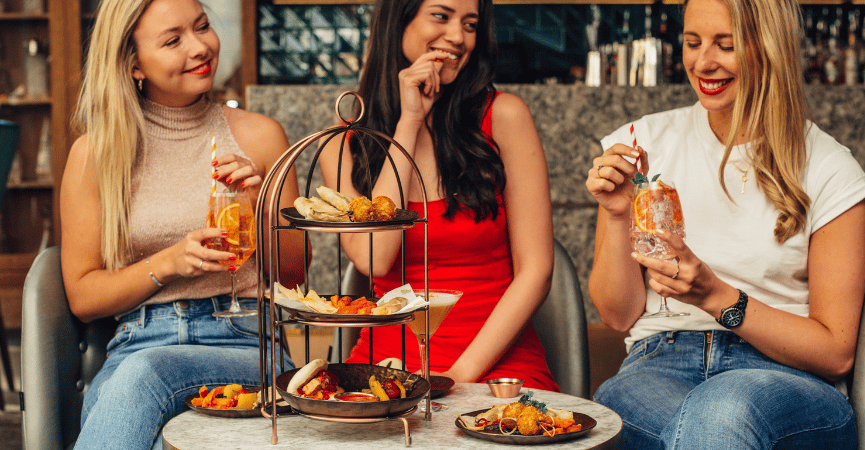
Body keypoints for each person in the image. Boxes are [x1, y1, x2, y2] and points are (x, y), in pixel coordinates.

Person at [584, 0, 865, 448]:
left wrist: (717, 296)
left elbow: (836, 352)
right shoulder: (642, 144)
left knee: (722, 411)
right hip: (659, 361)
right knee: (694, 422)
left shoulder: (830, 168)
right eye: (692, 42)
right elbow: (618, 314)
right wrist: (617, 212)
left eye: (726, 44)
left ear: (768, 47)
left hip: (783, 377)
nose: (703, 62)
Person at [59, 0, 304, 447]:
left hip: (246, 345)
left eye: (203, 27)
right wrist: (167, 263)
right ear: (134, 63)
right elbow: (83, 296)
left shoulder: (260, 136)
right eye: (173, 40)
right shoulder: (96, 155)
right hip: (137, 343)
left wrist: (257, 204)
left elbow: (294, 276)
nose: (200, 47)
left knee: (142, 377)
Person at [319, 0, 558, 391]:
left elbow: (536, 273)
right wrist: (409, 123)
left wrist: (456, 378)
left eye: (470, 24)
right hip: (386, 363)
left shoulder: (504, 116)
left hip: (493, 362)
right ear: (398, 21)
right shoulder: (344, 142)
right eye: (441, 16)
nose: (458, 37)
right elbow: (374, 260)